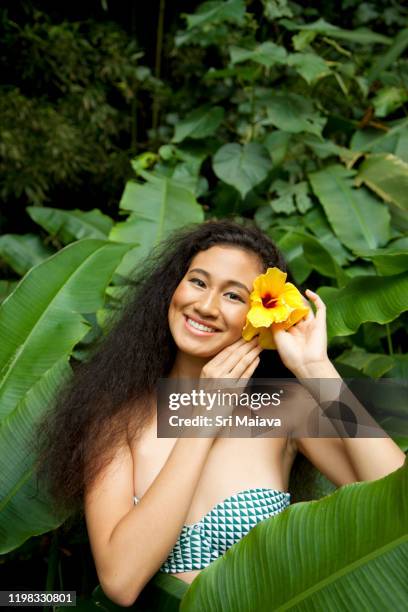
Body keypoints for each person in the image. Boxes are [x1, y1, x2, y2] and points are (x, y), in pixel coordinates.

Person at [34, 219, 405, 607]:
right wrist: (203, 418)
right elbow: (121, 582)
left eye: (233, 296)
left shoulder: (284, 411)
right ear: (171, 289)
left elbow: (400, 502)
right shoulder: (116, 421)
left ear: (258, 316)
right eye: (198, 282)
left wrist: (317, 370)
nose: (206, 306)